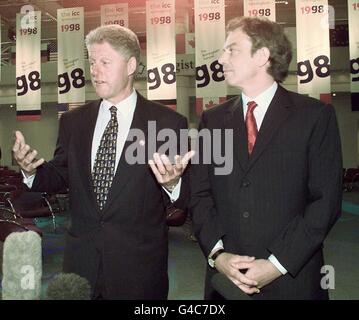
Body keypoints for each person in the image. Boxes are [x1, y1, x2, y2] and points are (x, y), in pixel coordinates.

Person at [12, 25, 193, 300]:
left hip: (138, 269)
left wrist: (174, 183)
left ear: (131, 65)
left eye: (105, 62)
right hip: (80, 263)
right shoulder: (74, 121)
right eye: (92, 62)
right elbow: (62, 175)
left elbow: (187, 197)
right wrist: (32, 170)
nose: (94, 71)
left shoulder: (166, 124)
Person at [190, 17, 342, 300]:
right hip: (225, 282)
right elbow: (200, 194)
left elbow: (326, 201)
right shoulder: (212, 120)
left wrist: (275, 264)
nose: (221, 59)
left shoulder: (313, 117)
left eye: (231, 50)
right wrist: (218, 255)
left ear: (262, 56)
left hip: (293, 281)